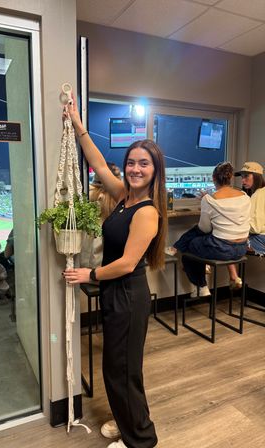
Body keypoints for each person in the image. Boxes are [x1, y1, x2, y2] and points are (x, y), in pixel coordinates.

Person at [63, 95, 167, 448]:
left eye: (144, 164)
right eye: (132, 163)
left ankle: (140, 439)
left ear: (155, 171)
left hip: (128, 293)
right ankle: (126, 423)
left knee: (124, 370)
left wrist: (88, 275)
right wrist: (79, 128)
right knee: (116, 367)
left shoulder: (147, 212)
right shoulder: (125, 196)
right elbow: (99, 166)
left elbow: (125, 263)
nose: (136, 169)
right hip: (117, 292)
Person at [174, 162, 251, 295]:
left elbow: (204, 229)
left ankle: (201, 286)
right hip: (241, 249)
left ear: (213, 178)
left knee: (190, 247)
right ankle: (180, 251)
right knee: (198, 241)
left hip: (221, 249)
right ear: (231, 177)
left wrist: (206, 202)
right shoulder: (245, 197)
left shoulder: (209, 200)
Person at [235, 161, 265, 255]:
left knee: (227, 244)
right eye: (242, 177)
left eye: (246, 176)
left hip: (260, 239)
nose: (243, 181)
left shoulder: (258, 194)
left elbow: (255, 227)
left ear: (256, 176)